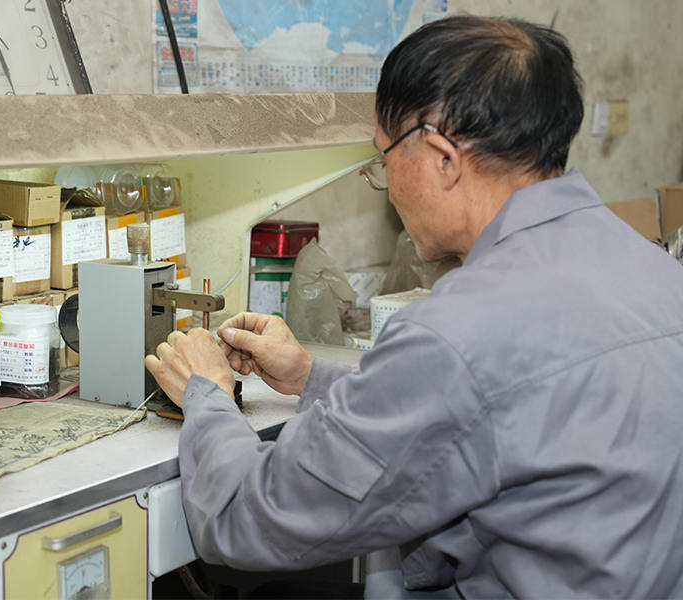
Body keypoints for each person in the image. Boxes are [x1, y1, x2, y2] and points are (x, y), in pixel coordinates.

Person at [145, 15, 683, 598]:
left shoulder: (458, 332)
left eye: (384, 159)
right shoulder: (654, 270)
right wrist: (309, 376)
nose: (389, 183)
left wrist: (207, 392)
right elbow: (492, 410)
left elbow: (247, 520)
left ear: (443, 158)